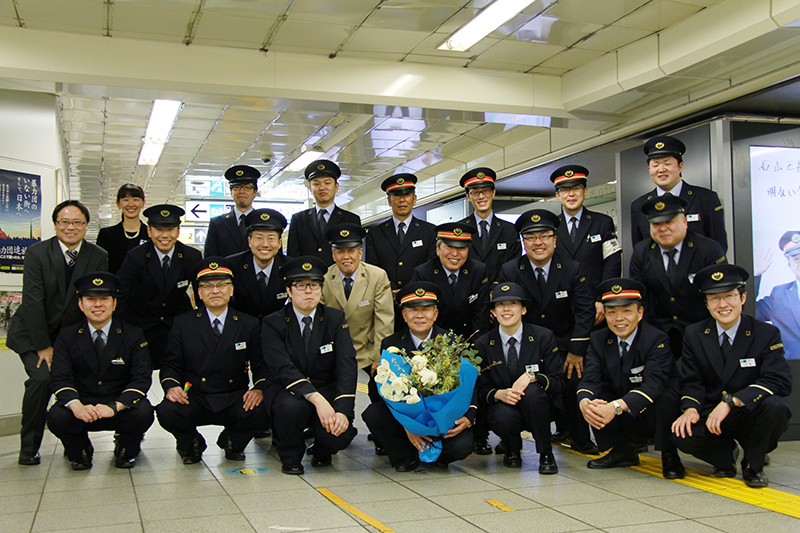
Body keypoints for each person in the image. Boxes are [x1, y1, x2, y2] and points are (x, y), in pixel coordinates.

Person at [671, 264, 792, 488]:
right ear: (706, 303)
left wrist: (732, 401)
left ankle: (753, 465)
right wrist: (690, 409)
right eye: (714, 298)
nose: (723, 304)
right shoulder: (694, 334)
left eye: (729, 296)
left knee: (777, 407)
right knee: (681, 433)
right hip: (712, 415)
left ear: (743, 297)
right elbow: (692, 381)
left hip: (748, 411)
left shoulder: (765, 333)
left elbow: (779, 380)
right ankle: (725, 458)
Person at [8, 200, 108, 466]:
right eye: (64, 222)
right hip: (33, 333)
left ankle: (75, 441)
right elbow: (32, 301)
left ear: (86, 226)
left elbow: (95, 300)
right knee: (42, 380)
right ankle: (29, 447)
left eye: (77, 222)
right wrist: (43, 346)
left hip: (70, 336)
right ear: (55, 224)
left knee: (79, 382)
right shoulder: (37, 253)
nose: (70, 227)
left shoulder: (98, 255)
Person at [498, 209, 597, 454]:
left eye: (544, 236)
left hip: (565, 345)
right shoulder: (510, 270)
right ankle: (509, 438)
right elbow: (506, 312)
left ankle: (579, 437)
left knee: (574, 381)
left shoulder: (572, 269)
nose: (538, 242)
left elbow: (585, 311)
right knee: (515, 384)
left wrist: (576, 349)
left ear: (555, 239)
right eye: (531, 237)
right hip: (526, 346)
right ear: (524, 242)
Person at [156, 257, 269, 464]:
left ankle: (232, 441)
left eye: (221, 285)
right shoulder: (184, 323)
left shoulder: (248, 323)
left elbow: (261, 365)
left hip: (233, 396)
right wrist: (172, 387)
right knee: (167, 410)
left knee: (265, 405)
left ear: (231, 289)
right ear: (198, 293)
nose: (215, 291)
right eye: (207, 286)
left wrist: (259, 388)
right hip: (195, 396)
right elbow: (170, 364)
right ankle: (191, 443)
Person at [362, 282, 475, 472]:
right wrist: (408, 425)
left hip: (443, 417)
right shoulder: (391, 344)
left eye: (426, 310)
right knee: (374, 413)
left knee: (461, 446)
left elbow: (469, 384)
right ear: (404, 315)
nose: (420, 316)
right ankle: (404, 456)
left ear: (435, 314)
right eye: (413, 310)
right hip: (406, 419)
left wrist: (469, 416)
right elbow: (383, 393)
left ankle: (437, 457)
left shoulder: (452, 342)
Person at [577, 278, 684, 479]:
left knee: (666, 398)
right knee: (593, 397)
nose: (619, 319)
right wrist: (585, 403)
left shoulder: (656, 339)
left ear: (640, 313)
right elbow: (590, 379)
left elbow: (653, 385)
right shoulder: (598, 340)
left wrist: (615, 407)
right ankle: (622, 450)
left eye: (626, 311)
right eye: (612, 312)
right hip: (623, 398)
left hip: (653, 405)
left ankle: (670, 454)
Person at [261, 256, 358, 475]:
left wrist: (342, 410)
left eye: (314, 285)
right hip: (288, 389)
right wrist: (316, 399)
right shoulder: (273, 322)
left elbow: (346, 365)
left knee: (339, 433)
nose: (308, 292)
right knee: (291, 408)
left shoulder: (335, 318)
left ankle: (323, 452)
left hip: (326, 386)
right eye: (301, 286)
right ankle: (291, 456)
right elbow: (281, 367)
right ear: (288, 290)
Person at [47, 272, 153, 470]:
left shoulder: (133, 334)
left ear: (114, 304)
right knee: (56, 416)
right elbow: (60, 377)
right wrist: (77, 406)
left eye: (104, 299)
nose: (97, 305)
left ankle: (126, 448)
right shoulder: (67, 336)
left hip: (119, 403)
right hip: (83, 403)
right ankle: (79, 449)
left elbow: (141, 378)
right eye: (90, 299)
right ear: (81, 304)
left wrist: (115, 406)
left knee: (144, 412)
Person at [475, 282, 563, 473]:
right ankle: (512, 449)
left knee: (532, 394)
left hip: (538, 406)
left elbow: (557, 382)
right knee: (501, 415)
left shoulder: (543, 337)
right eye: (500, 305)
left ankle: (545, 453)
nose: (506, 309)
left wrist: (533, 377)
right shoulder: (483, 344)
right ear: (494, 312)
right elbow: (481, 389)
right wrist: (499, 394)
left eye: (513, 303)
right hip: (504, 407)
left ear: (523, 309)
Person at [629, 195, 726, 358]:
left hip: (702, 331)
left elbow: (720, 295)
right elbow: (639, 297)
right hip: (658, 334)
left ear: (685, 222)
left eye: (670, 222)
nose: (663, 228)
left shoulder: (708, 249)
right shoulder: (641, 251)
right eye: (656, 224)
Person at [116, 204, 202, 369]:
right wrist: (120, 335)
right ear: (149, 231)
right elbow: (120, 297)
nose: (165, 235)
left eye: (170, 230)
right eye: (159, 230)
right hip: (142, 328)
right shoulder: (136, 257)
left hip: (177, 328)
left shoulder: (192, 256)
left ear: (178, 231)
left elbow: (201, 297)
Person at [321, 223, 393, 405]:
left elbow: (384, 320)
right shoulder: (323, 279)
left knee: (381, 394)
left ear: (360, 253)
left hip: (367, 348)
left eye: (351, 251)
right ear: (333, 255)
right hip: (335, 350)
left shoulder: (377, 276)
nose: (346, 257)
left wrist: (379, 357)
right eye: (340, 251)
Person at [550, 165, 621, 327]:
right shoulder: (551, 226)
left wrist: (602, 299)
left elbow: (612, 263)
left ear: (585, 191)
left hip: (595, 305)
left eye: (576, 188)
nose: (571, 194)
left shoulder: (602, 223)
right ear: (557, 195)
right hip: (560, 304)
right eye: (565, 190)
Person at [365, 174, 437, 330]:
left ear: (414, 198)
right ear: (389, 201)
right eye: (397, 195)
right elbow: (373, 268)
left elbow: (431, 266)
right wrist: (390, 290)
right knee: (390, 350)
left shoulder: (430, 231)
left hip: (419, 303)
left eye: (407, 195)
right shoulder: (375, 234)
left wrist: (407, 291)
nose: (402, 200)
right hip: (386, 304)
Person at [630, 135, 727, 251]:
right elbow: (639, 251)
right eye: (655, 165)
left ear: (680, 167)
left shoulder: (705, 198)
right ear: (649, 170)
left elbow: (719, 245)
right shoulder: (639, 206)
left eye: (667, 163)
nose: (661, 169)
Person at [410, 222, 490, 339]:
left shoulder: (478, 271)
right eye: (449, 247)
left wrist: (476, 352)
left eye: (461, 248)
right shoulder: (423, 273)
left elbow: (481, 317)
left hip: (469, 340)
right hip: (436, 342)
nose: (454, 254)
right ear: (438, 250)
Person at [287, 160, 361, 267]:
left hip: (338, 280)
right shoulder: (299, 219)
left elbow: (354, 256)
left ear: (336, 187)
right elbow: (293, 256)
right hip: (309, 280)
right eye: (316, 184)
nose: (322, 188)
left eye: (327, 183)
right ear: (310, 189)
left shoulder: (351, 219)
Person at [458, 167, 521, 283]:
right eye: (475, 192)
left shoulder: (510, 230)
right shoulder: (460, 229)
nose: (481, 197)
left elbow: (514, 267)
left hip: (500, 295)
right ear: (468, 197)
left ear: (493, 193)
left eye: (485, 191)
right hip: (468, 295)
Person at [228, 208, 291, 320]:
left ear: (279, 243)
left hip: (278, 330)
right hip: (241, 330)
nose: (265, 244)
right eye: (259, 238)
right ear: (249, 242)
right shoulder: (232, 265)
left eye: (271, 238)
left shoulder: (290, 267)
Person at [755, 230, 800, 360]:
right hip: (793, 371)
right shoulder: (779, 294)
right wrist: (756, 276)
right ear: (789, 265)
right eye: (795, 258)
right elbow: (747, 311)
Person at [204, 165, 259, 258]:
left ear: (255, 192)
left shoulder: (263, 221)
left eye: (247, 187)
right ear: (231, 192)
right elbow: (210, 257)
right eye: (237, 187)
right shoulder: (217, 224)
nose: (242, 191)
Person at [96, 183, 148, 274]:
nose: (131, 204)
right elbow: (100, 267)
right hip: (114, 286)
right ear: (118, 204)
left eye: (136, 200)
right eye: (126, 200)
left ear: (143, 203)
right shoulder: (106, 235)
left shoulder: (151, 234)